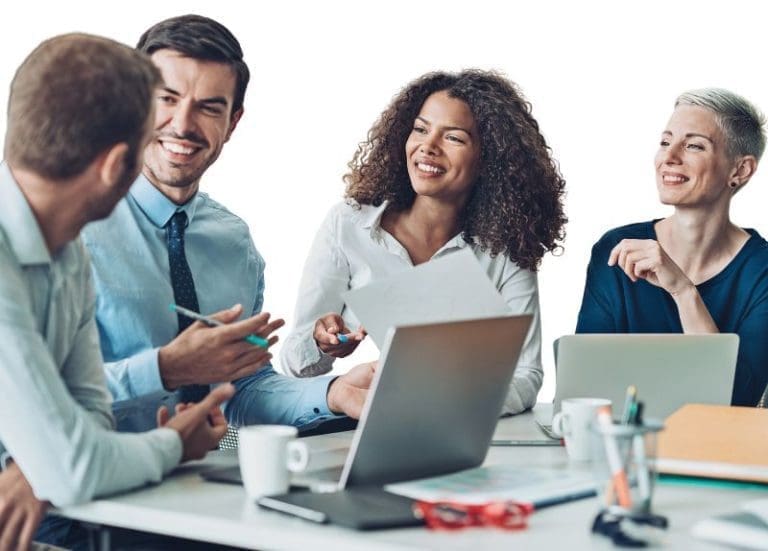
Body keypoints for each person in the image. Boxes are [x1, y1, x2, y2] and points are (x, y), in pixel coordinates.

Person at [81, 14, 373, 436]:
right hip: (87, 486)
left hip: (201, 481)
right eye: (167, 99)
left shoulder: (233, 242)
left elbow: (244, 386)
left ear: (232, 123)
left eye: (208, 107)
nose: (183, 125)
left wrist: (331, 393)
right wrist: (166, 369)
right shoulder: (71, 226)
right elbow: (33, 393)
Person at [0, 33, 233, 550]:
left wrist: (59, 460)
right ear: (116, 166)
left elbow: (89, 420)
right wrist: (172, 443)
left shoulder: (67, 253)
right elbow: (74, 464)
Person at [281, 70, 567, 414]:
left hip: (466, 430)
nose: (427, 147)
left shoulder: (504, 249)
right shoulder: (349, 225)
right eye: (420, 129)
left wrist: (458, 403)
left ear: (488, 160)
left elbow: (526, 374)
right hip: (365, 420)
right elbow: (294, 362)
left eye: (454, 138)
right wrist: (321, 343)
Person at [576, 88, 768, 407]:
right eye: (665, 142)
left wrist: (683, 290)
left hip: (718, 452)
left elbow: (736, 401)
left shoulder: (762, 270)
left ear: (740, 170)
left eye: (693, 145)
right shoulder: (616, 249)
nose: (669, 157)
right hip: (626, 446)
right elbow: (586, 385)